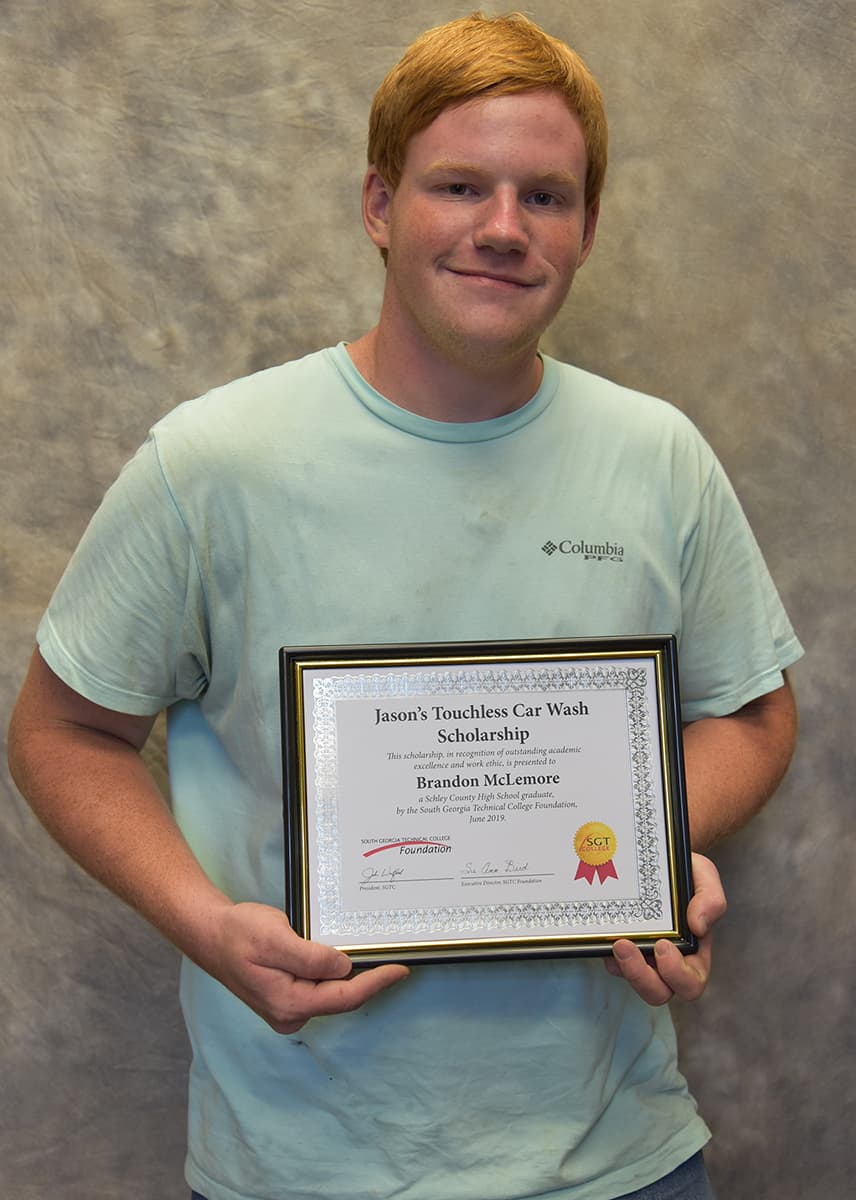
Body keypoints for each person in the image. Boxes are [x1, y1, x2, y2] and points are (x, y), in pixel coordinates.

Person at [8, 12, 800, 1200]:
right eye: (459, 185)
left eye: (545, 195)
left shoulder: (659, 458)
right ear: (379, 206)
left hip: (619, 1161)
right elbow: (63, 732)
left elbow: (750, 713)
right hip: (299, 1166)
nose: (501, 228)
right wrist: (208, 928)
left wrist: (649, 843)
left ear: (586, 228)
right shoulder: (214, 463)